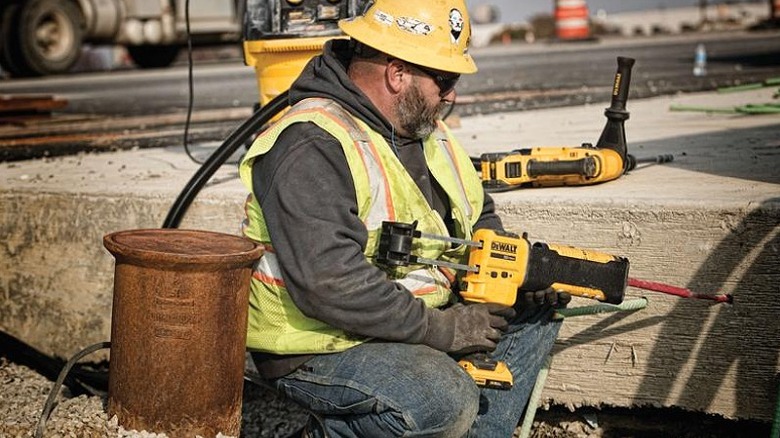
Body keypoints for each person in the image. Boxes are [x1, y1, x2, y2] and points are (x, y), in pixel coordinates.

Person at [238, 1, 568, 436]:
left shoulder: (427, 131)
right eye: (444, 80)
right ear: (397, 74)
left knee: (534, 316)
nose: (452, 95)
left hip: (405, 319)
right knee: (441, 396)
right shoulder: (311, 143)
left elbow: (477, 210)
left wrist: (504, 267)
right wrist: (442, 330)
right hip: (318, 342)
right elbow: (330, 283)